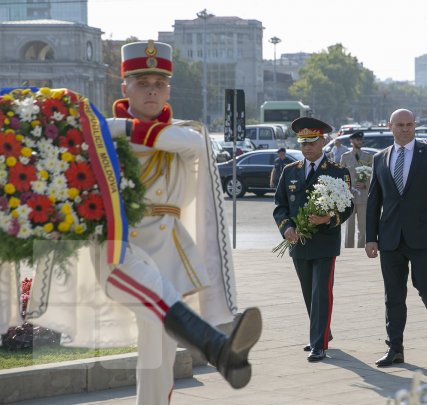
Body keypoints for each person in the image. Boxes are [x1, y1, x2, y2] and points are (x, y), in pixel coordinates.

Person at [27, 40, 263, 404]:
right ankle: (217, 348)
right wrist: (112, 128)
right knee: (156, 298)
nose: (152, 89)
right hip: (119, 248)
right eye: (141, 82)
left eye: (159, 83)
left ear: (169, 88)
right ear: (125, 87)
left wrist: (123, 128)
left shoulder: (185, 133)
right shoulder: (102, 135)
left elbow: (186, 144)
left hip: (168, 252)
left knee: (159, 353)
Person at [365, 108, 427, 367]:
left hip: (424, 237)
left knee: (426, 287)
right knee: (393, 295)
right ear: (390, 126)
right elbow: (373, 201)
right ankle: (395, 348)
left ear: (415, 126)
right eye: (400, 124)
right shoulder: (380, 158)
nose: (405, 128)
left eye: (409, 124)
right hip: (390, 238)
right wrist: (371, 237)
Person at [273, 117, 353, 362]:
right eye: (303, 142)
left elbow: (347, 207)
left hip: (325, 243)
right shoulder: (289, 171)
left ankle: (318, 344)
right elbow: (280, 206)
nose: (307, 147)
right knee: (308, 292)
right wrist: (286, 228)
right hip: (299, 242)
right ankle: (323, 332)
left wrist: (328, 218)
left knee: (321, 293)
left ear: (323, 142)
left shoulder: (338, 172)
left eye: (312, 142)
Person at [339, 131, 373, 248]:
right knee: (350, 225)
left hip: (363, 195)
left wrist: (365, 185)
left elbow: (372, 175)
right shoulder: (345, 157)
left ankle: (362, 247)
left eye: (361, 140)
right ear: (352, 141)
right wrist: (345, 188)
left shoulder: (368, 157)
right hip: (349, 196)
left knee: (363, 225)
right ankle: (349, 248)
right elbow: (341, 175)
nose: (360, 142)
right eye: (358, 140)